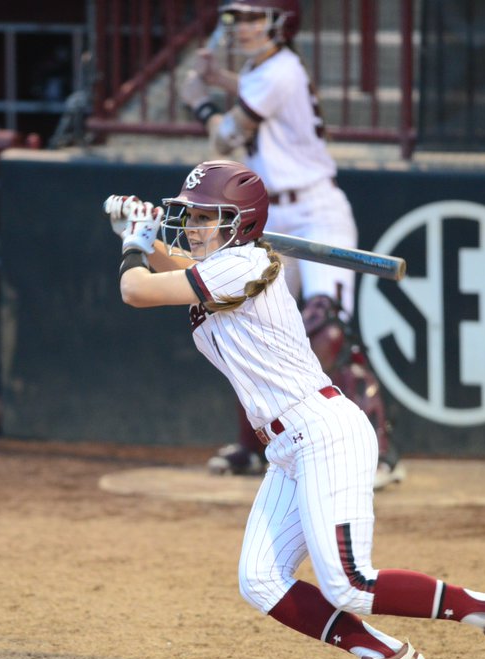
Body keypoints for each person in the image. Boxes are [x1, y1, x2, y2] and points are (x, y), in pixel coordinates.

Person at [104, 160, 485, 659]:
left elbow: (137, 290)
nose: (194, 227)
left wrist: (135, 242)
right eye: (191, 216)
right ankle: (385, 655)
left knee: (350, 583)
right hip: (287, 446)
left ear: (240, 224)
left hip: (323, 430)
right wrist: (138, 231)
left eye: (207, 218)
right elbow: (169, 272)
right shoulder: (225, 267)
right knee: (260, 578)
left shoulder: (241, 264)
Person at [179, 0, 404, 486]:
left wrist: (199, 99)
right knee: (252, 324)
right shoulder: (268, 72)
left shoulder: (278, 71)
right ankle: (261, 445)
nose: (244, 28)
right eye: (239, 19)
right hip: (274, 214)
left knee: (327, 327)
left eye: (256, 18)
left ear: (280, 24)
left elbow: (226, 139)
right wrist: (218, 80)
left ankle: (378, 453)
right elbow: (252, 93)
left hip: (316, 212)